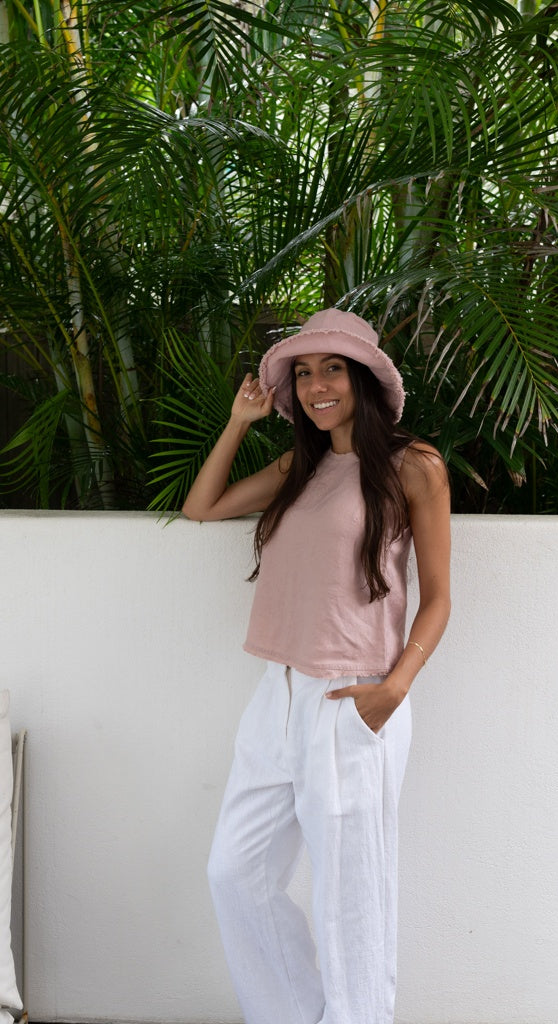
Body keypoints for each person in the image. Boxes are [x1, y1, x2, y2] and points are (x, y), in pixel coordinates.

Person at [182, 308, 451, 1024]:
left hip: (352, 697)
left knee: (350, 899)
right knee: (235, 872)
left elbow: (439, 596)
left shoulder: (414, 466)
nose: (316, 386)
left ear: (364, 379)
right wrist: (240, 421)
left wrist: (395, 688)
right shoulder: (299, 468)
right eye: (302, 373)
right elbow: (202, 507)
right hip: (278, 695)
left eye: (332, 369)